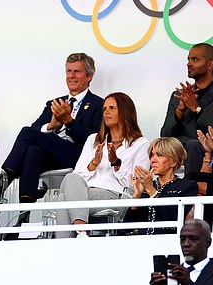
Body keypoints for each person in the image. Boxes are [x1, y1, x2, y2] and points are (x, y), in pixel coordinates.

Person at [0, 53, 104, 204]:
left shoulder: (98, 104)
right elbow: (34, 130)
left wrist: (69, 121)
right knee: (32, 151)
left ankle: (5, 177)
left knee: (27, 133)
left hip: (78, 156)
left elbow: (94, 140)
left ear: (89, 76)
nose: (71, 75)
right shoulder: (54, 103)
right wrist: (51, 126)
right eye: (68, 71)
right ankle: (24, 213)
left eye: (77, 71)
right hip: (52, 157)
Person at [52, 92, 149, 237]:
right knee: (70, 181)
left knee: (63, 199)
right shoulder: (93, 140)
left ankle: (71, 243)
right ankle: (81, 233)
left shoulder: (141, 144)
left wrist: (116, 164)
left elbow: (137, 185)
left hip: (116, 195)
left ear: (125, 112)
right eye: (104, 109)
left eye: (112, 108)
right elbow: (77, 176)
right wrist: (93, 163)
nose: (106, 112)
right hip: (86, 192)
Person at [161, 43, 213, 178]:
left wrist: (196, 109)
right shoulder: (179, 95)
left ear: (210, 65)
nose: (188, 64)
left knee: (193, 145)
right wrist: (180, 111)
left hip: (212, 154)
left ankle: (193, 191)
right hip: (180, 153)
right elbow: (165, 135)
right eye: (188, 59)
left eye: (195, 60)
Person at [128, 137, 198, 234]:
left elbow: (172, 218)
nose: (153, 160)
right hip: (142, 243)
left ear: (174, 161)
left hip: (169, 244)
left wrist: (152, 191)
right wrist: (136, 197)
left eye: (159, 155)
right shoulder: (147, 186)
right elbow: (128, 227)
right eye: (152, 155)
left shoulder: (187, 186)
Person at [150, 219, 213, 285]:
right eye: (182, 239)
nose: (186, 244)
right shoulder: (170, 275)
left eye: (193, 239)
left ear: (208, 243)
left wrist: (188, 283)